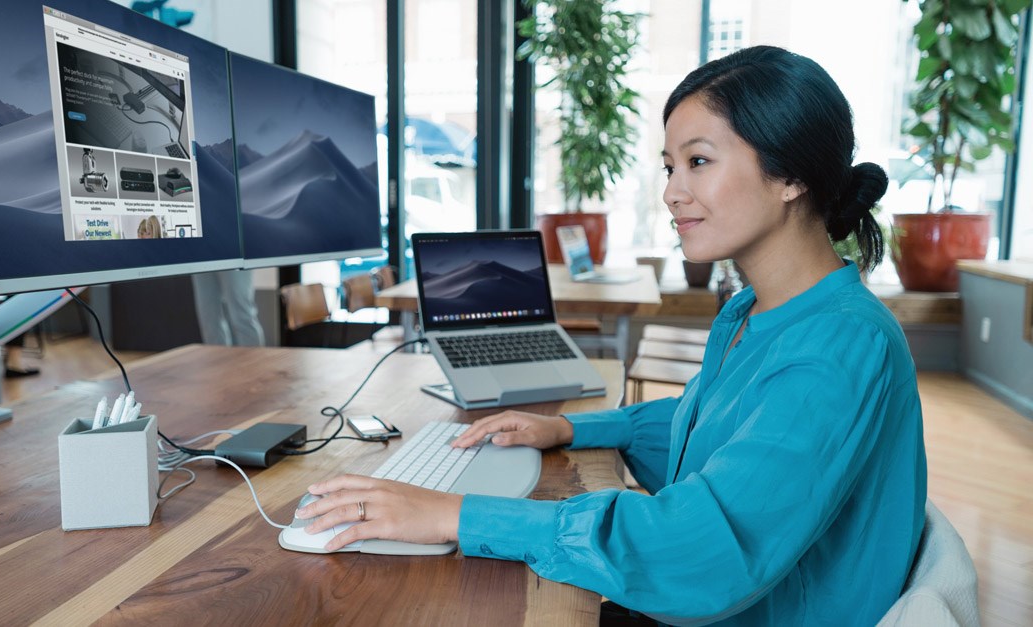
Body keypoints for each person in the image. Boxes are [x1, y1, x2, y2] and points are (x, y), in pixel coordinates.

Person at [294, 46, 927, 625]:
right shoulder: (752, 314)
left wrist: (451, 515)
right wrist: (573, 429)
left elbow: (702, 552)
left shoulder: (839, 346)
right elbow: (708, 426)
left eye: (699, 162)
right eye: (670, 167)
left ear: (791, 176)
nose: (673, 193)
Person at [191, 269, 265, 346]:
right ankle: (217, 357)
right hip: (202, 259)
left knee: (242, 315)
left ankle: (252, 357)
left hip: (235, 258)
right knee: (209, 317)